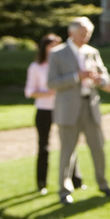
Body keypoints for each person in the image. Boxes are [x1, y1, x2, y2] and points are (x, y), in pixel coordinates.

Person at [47, 16, 110, 205]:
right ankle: (64, 190)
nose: (86, 38)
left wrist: (100, 79)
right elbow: (51, 82)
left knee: (98, 148)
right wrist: (77, 76)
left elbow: (105, 77)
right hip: (68, 110)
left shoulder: (92, 52)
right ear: (71, 33)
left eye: (88, 34)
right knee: (68, 151)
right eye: (82, 34)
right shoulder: (57, 54)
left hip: (90, 107)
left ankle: (103, 184)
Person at [25, 33, 82, 194]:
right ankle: (41, 184)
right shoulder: (36, 67)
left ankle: (75, 180)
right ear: (45, 47)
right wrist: (48, 92)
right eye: (53, 45)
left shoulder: (65, 65)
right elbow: (29, 91)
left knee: (69, 144)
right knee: (44, 146)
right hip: (44, 109)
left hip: (63, 108)